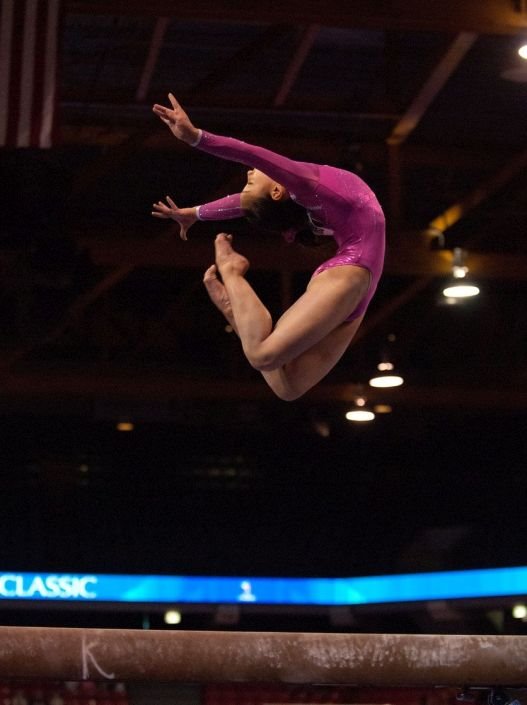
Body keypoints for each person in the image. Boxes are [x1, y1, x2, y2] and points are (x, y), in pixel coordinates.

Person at [152, 94, 385, 401]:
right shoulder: (305, 184)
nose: (249, 174)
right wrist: (195, 138)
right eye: (250, 183)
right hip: (353, 273)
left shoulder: (305, 193)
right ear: (277, 190)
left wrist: (195, 211)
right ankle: (233, 279)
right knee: (273, 370)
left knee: (281, 379)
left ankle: (234, 301)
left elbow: (246, 194)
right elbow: (252, 157)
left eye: (247, 183)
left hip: (357, 276)